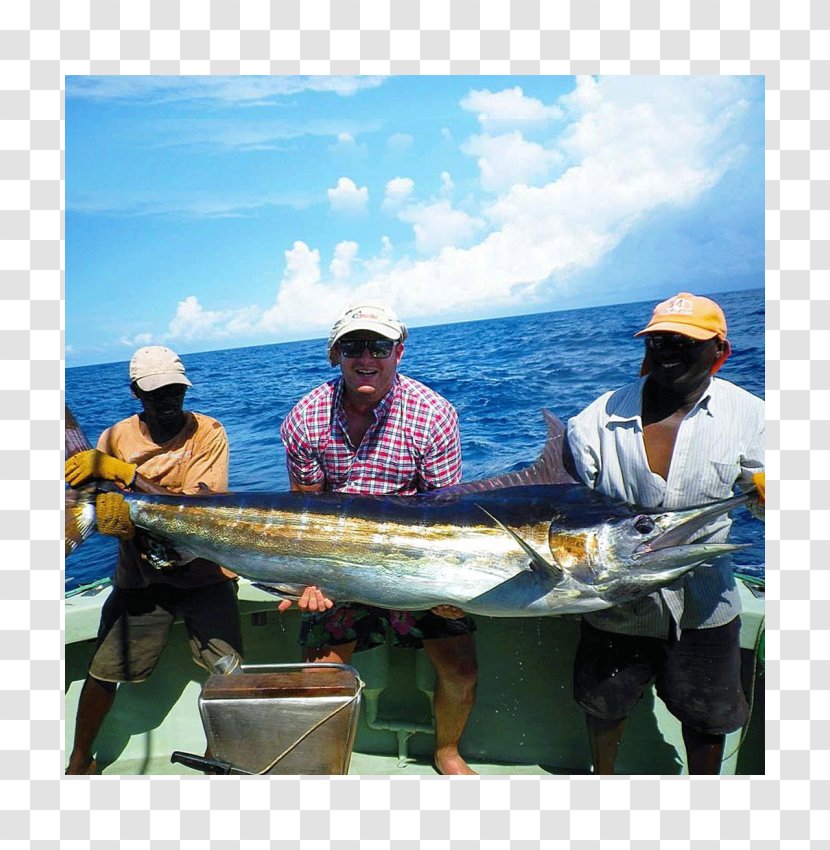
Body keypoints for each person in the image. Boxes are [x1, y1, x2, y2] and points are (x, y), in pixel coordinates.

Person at [565, 292, 765, 775]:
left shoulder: (754, 417)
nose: (669, 351)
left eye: (684, 342)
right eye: (659, 341)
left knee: (709, 720)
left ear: (721, 352)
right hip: (614, 602)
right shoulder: (592, 422)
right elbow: (571, 516)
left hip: (705, 602)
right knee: (603, 707)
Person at [279, 302, 479, 775]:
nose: (366, 357)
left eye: (379, 346)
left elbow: (444, 516)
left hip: (418, 559)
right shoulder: (306, 418)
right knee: (321, 674)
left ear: (399, 352)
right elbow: (304, 515)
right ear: (335, 355)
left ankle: (447, 751)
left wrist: (447, 589)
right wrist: (306, 580)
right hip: (335, 562)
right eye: (353, 346)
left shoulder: (433, 415)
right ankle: (328, 766)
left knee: (461, 670)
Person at [64, 345, 243, 775]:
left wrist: (126, 476)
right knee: (104, 671)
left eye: (175, 392)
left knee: (230, 672)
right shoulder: (114, 438)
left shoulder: (208, 432)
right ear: (136, 394)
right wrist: (114, 519)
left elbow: (197, 514)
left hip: (206, 573)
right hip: (141, 579)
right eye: (156, 394)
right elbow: (106, 506)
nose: (168, 402)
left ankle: (226, 758)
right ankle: (78, 761)